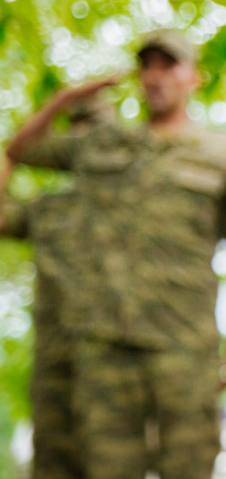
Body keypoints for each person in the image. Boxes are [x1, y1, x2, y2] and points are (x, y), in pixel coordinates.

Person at [5, 29, 226, 478]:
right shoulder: (106, 146)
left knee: (189, 466)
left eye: (169, 66)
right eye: (148, 66)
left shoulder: (221, 155)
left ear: (193, 78)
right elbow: (20, 150)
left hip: (183, 344)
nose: (156, 77)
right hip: (106, 342)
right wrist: (64, 100)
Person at [0, 98, 114, 478]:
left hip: (116, 353)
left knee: (113, 460)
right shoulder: (48, 209)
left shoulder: (135, 202)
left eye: (96, 131)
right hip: (57, 353)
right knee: (53, 462)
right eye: (77, 130)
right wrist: (57, 105)